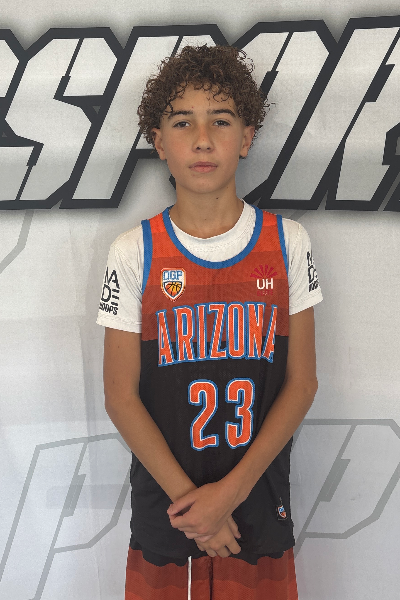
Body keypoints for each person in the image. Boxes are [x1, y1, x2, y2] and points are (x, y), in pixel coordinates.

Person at [96, 44, 323, 600]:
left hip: (258, 503)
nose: (202, 139)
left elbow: (302, 384)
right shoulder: (134, 252)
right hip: (168, 512)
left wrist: (228, 495)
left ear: (246, 137)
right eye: (183, 122)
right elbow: (120, 396)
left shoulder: (287, 243)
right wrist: (194, 507)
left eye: (220, 121)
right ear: (159, 142)